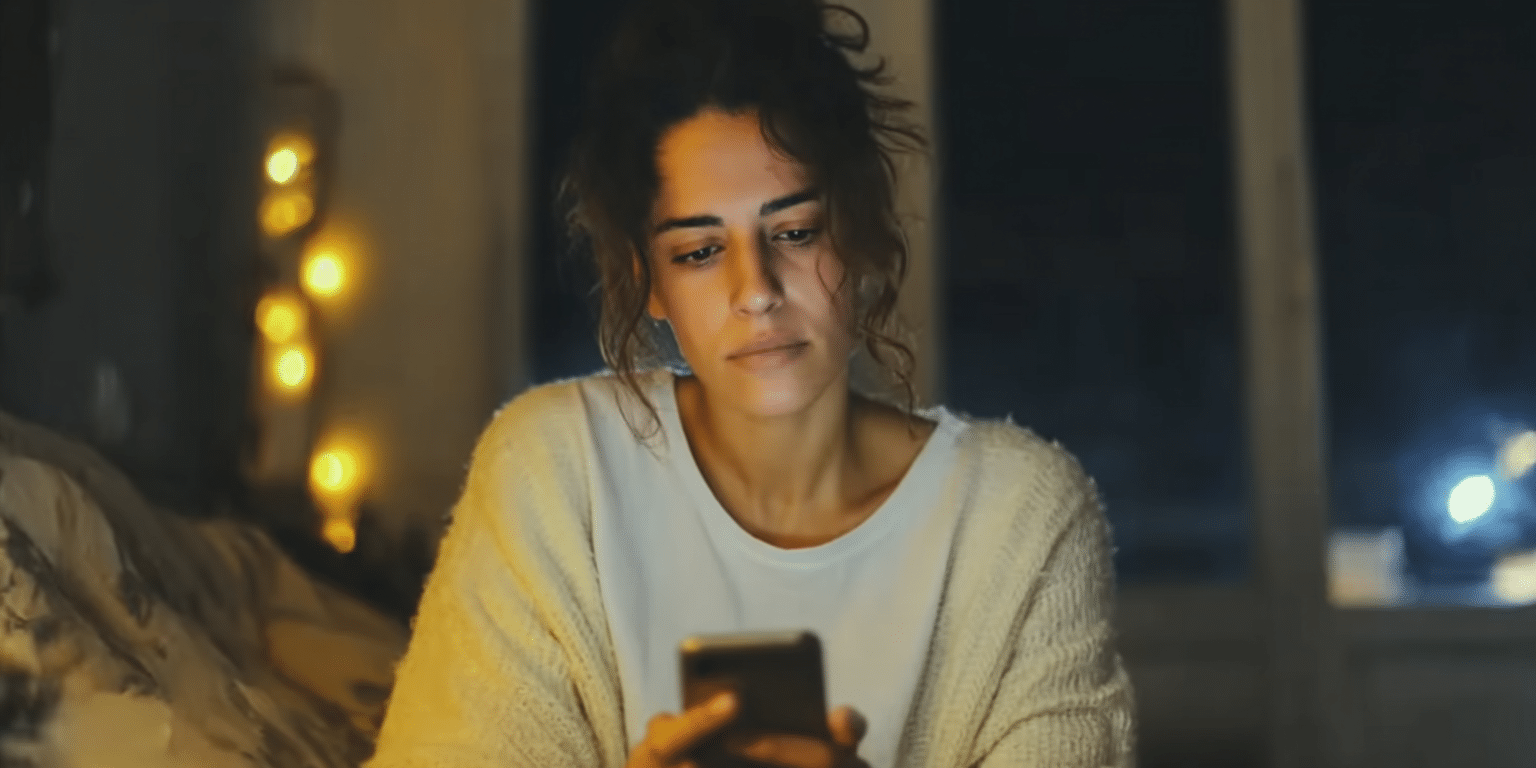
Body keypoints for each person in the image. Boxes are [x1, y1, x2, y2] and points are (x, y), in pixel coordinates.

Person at [367, 0, 1136, 766]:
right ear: (651, 283)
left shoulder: (1019, 518)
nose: (755, 289)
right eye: (700, 251)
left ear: (860, 228)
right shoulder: (557, 473)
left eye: (794, 233)